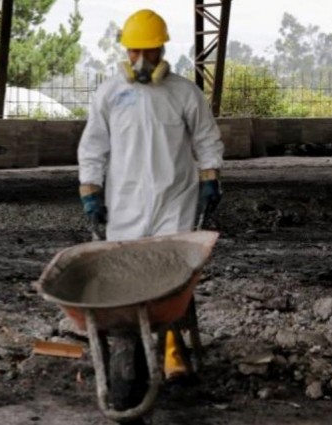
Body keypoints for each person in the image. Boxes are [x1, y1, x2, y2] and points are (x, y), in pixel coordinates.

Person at [77, 9, 224, 382]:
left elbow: (207, 138)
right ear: (125, 52)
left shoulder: (183, 92)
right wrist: (90, 188)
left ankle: (172, 345)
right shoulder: (110, 93)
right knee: (125, 278)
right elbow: (93, 146)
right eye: (133, 53)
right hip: (125, 199)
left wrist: (210, 177)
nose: (141, 61)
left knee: (171, 275)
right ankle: (128, 345)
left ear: (162, 50)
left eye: (149, 52)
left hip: (175, 196)